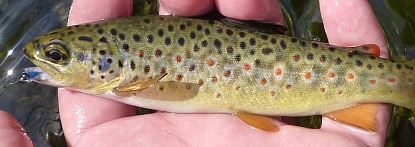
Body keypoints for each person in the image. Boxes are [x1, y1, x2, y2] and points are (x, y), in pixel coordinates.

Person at [0, 0, 390, 146]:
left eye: (57, 55)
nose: (45, 60)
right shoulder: (126, 82)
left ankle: (405, 84)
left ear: (111, 60)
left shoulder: (132, 81)